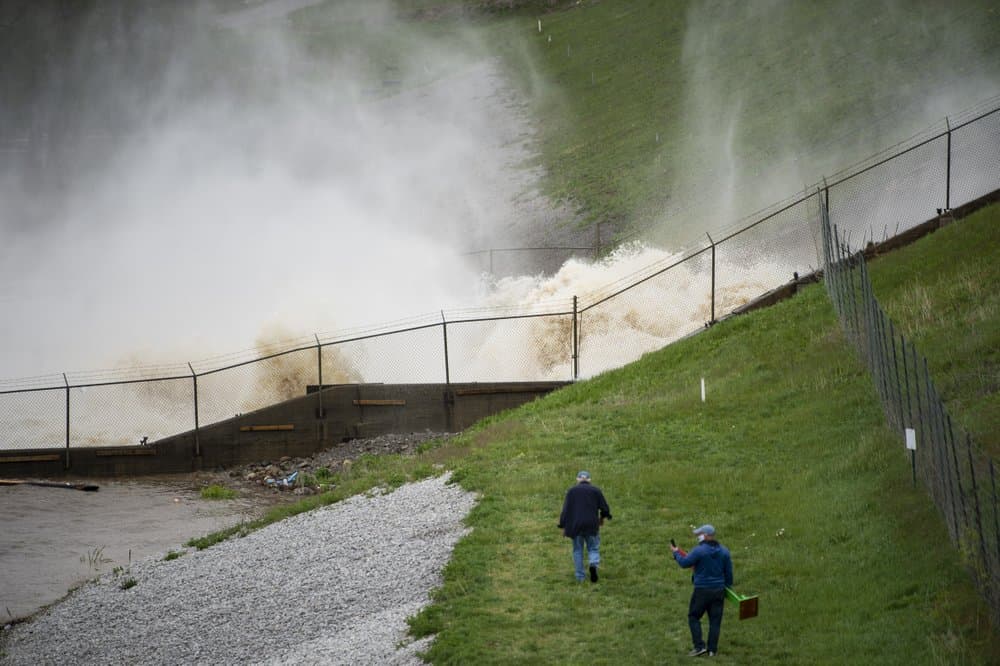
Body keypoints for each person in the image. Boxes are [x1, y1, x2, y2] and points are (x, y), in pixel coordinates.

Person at [670, 524, 733, 657]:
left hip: (702, 590)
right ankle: (712, 650)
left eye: (699, 534)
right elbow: (729, 573)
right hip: (719, 590)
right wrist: (727, 589)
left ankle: (699, 647)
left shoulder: (699, 551)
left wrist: (675, 553)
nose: (698, 536)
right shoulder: (724, 551)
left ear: (705, 535)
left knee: (693, 616)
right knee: (715, 621)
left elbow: (684, 563)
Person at [558, 470, 612, 582]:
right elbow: (604, 508)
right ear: (589, 480)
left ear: (577, 479)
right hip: (591, 525)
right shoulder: (596, 490)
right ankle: (593, 564)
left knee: (577, 550)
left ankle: (580, 577)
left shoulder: (571, 491)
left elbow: (566, 510)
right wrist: (602, 518)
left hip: (576, 525)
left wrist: (563, 526)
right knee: (593, 548)